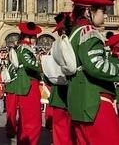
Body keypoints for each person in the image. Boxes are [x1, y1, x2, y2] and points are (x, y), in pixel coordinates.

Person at [66, 0, 119, 145]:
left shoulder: (75, 33)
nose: (105, 16)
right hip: (95, 101)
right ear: (88, 11)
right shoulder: (89, 32)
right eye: (102, 11)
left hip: (79, 101)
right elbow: (95, 65)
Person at [4, 21, 43, 145]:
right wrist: (43, 66)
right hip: (29, 85)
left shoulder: (18, 47)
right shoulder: (25, 48)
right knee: (32, 121)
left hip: (22, 84)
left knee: (24, 120)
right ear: (31, 37)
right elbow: (29, 64)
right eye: (34, 37)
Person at [47, 12, 73, 145]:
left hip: (59, 94)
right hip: (69, 94)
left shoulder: (54, 47)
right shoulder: (70, 45)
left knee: (61, 132)